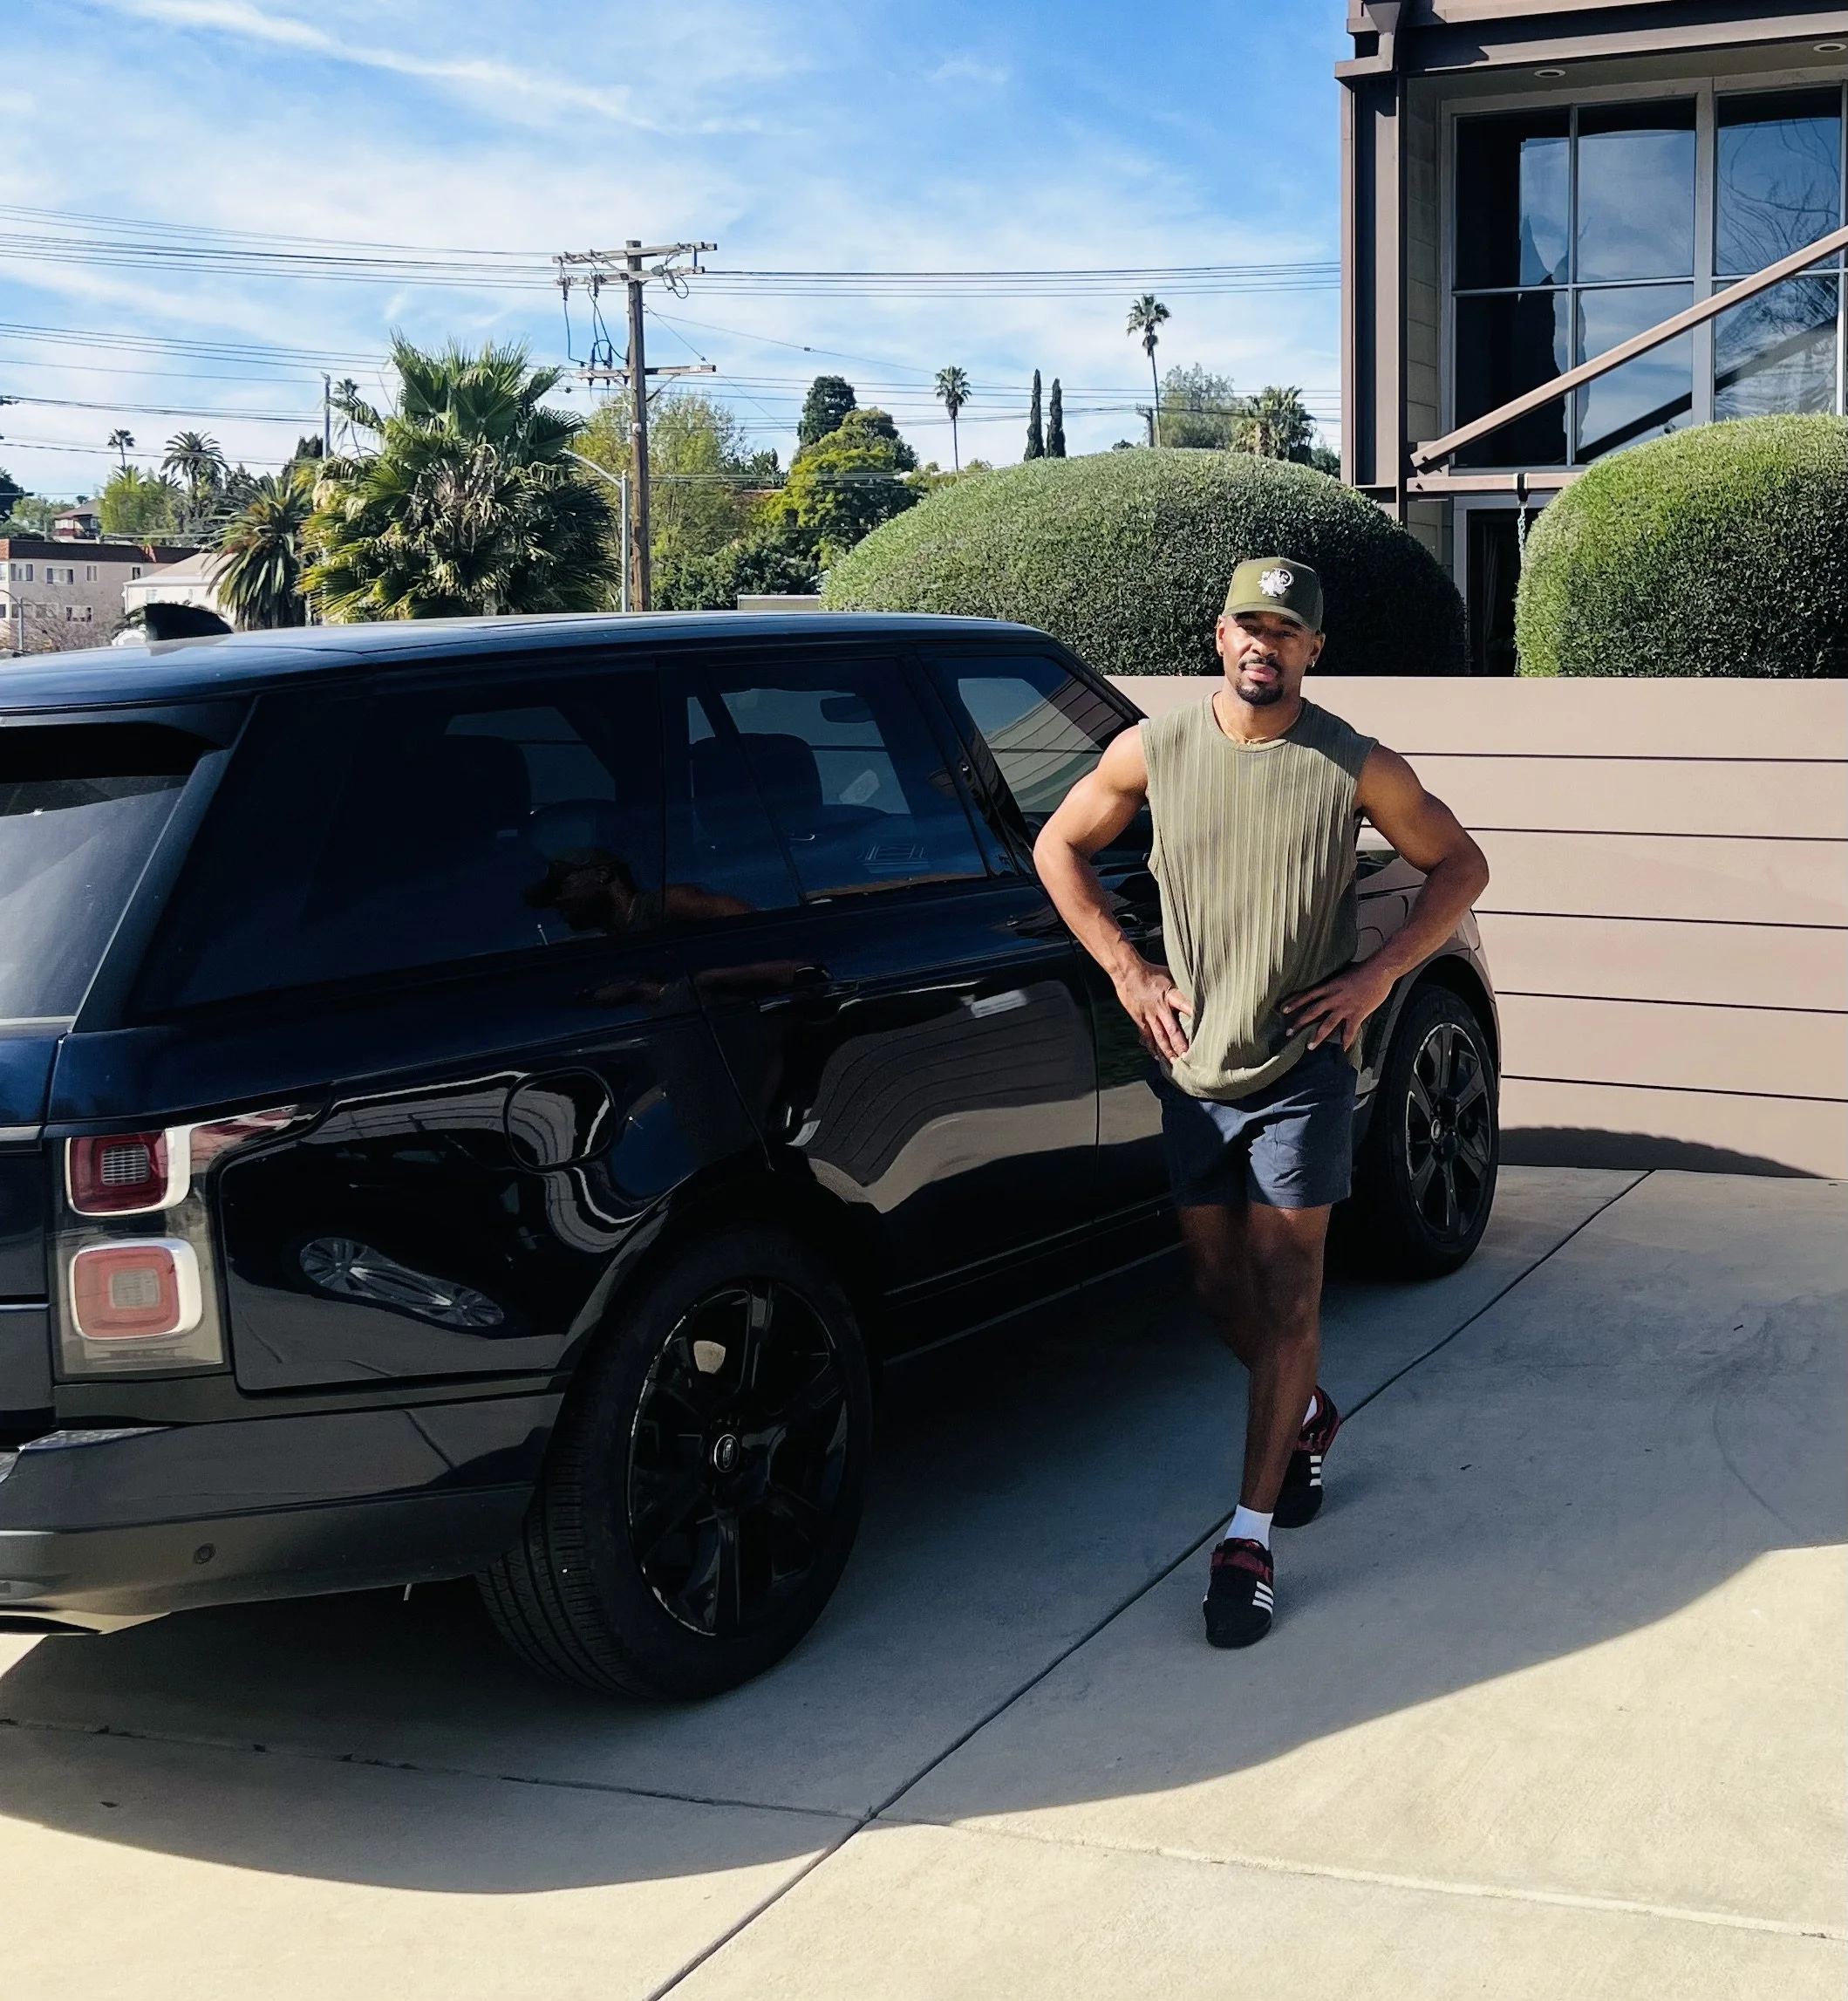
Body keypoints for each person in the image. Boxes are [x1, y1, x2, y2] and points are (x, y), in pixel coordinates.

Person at [1034, 557, 1490, 1649]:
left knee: (1290, 1294)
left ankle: (1248, 1533)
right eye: (1249, 625)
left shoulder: (1353, 763)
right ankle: (1306, 1409)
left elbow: (1459, 864)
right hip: (1193, 1070)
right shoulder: (1153, 749)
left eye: (1286, 632)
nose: (1263, 646)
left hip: (1301, 1071)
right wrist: (1128, 969)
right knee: (1216, 1284)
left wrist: (1378, 975)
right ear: (1220, 633)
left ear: (1312, 651)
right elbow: (1059, 845)